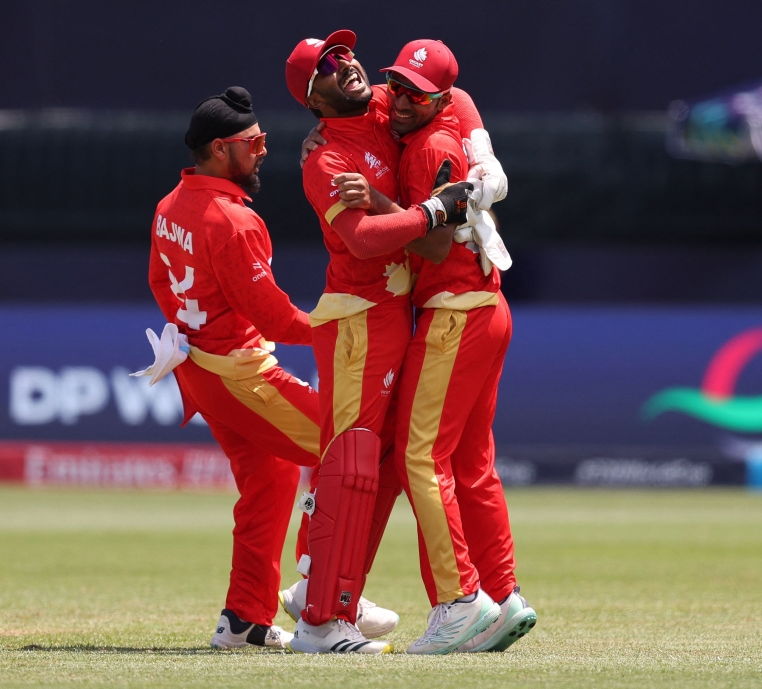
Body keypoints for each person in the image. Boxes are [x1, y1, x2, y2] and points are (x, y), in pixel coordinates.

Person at [327, 40, 535, 655]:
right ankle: (502, 596)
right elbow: (388, 105)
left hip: (455, 312)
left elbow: (437, 246)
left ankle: (460, 602)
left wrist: (376, 201)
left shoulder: (430, 147)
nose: (401, 101)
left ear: (440, 98)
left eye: (417, 94)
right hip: (484, 308)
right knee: (470, 465)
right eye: (398, 86)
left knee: (420, 459)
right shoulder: (440, 118)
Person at [281, 30, 473, 654]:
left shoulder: (389, 107)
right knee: (353, 460)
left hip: (391, 312)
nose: (349, 65)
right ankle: (320, 621)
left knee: (379, 462)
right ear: (313, 98)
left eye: (347, 54)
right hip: (358, 316)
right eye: (329, 66)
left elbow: (454, 96)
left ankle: (333, 595)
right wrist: (434, 214)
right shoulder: (324, 158)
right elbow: (364, 239)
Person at [141, 87, 319, 650]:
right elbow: (273, 315)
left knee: (272, 479)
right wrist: (344, 325)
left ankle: (244, 621)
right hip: (240, 374)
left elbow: (158, 283)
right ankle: (326, 593)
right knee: (351, 452)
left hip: (199, 369)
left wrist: (194, 334)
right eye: (255, 143)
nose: (264, 151)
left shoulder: (170, 205)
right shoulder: (233, 220)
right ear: (221, 149)